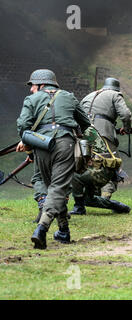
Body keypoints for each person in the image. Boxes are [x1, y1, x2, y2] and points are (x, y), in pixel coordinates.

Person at [16, 69, 91, 249]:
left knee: (54, 189)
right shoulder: (69, 97)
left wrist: (28, 143)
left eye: (32, 85)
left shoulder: (31, 100)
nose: (31, 89)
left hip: (41, 145)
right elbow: (86, 123)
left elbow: (23, 125)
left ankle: (64, 231)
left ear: (41, 84)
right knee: (57, 188)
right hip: (65, 145)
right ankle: (41, 229)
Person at [80, 77, 132, 200]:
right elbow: (125, 114)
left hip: (83, 134)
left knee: (88, 164)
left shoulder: (88, 96)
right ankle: (105, 198)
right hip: (103, 133)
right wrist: (127, 128)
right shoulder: (115, 94)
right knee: (111, 164)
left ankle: (86, 196)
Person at [69, 126, 131, 215]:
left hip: (100, 171)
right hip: (96, 170)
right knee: (88, 200)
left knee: (74, 176)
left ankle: (79, 208)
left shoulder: (84, 130)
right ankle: (118, 206)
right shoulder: (83, 128)